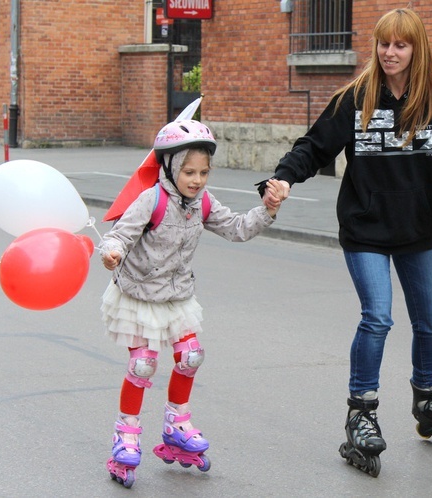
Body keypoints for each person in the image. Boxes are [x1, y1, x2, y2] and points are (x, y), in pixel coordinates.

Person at [260, 8, 432, 477]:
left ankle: (428, 401)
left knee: (430, 322)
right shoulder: (354, 99)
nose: (391, 53)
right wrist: (282, 178)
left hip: (415, 233)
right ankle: (361, 412)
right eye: (384, 43)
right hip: (365, 230)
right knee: (378, 317)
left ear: (416, 50)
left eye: (401, 45)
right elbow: (314, 147)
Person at [100, 119, 284, 488]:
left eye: (203, 172)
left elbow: (236, 228)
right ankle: (127, 435)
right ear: (169, 167)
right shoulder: (151, 199)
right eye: (189, 171)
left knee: (190, 356)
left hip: (176, 296)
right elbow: (117, 235)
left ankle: (177, 425)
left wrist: (267, 209)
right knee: (142, 365)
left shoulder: (202, 202)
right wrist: (112, 252)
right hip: (138, 295)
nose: (197, 180)